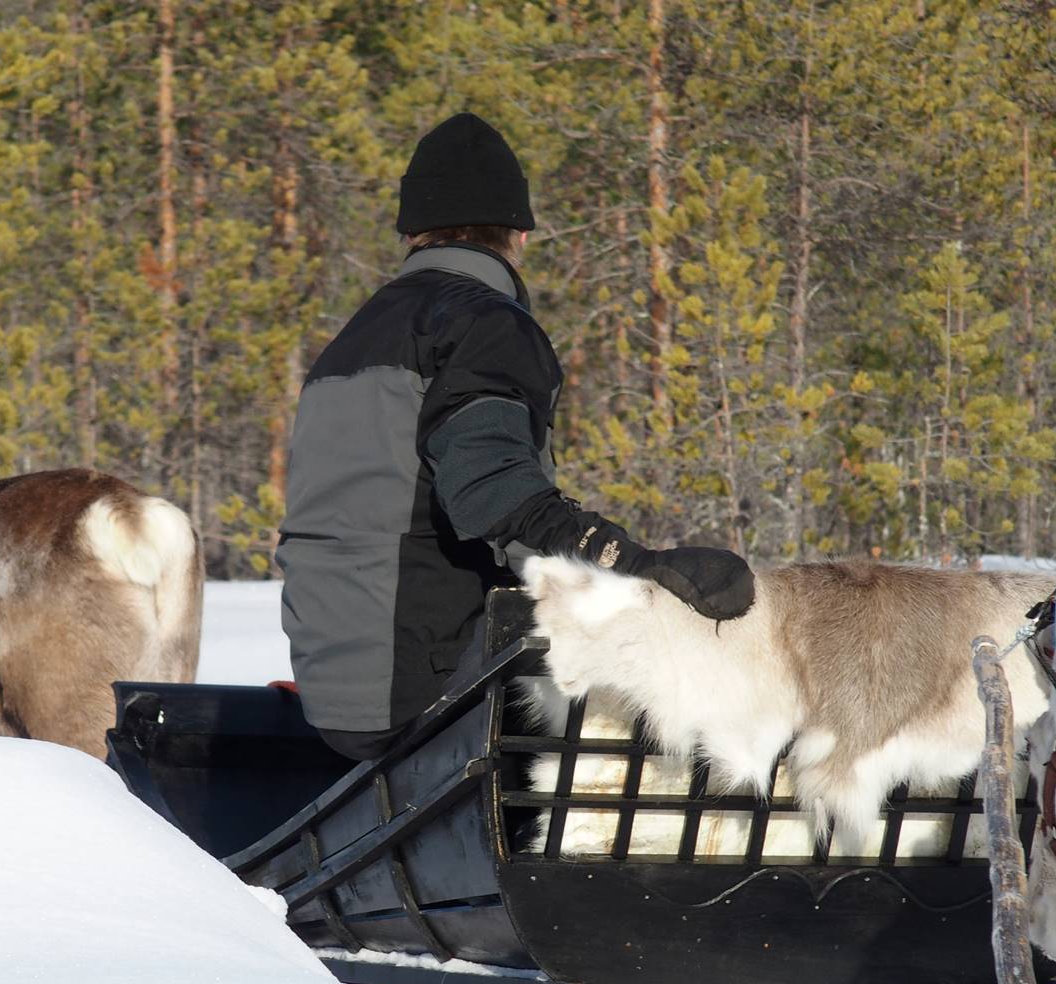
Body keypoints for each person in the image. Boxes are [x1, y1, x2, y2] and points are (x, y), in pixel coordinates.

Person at [277, 112, 755, 763]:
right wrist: (634, 567)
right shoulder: (484, 325)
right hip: (427, 695)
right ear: (521, 233)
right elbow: (491, 493)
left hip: (335, 696)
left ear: (411, 231)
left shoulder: (349, 341)